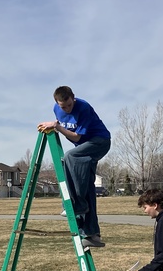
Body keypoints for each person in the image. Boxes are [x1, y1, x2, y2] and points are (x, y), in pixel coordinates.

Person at [37, 86, 111, 248]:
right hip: (84, 149)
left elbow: (76, 136)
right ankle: (92, 235)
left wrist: (57, 126)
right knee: (87, 188)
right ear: (57, 103)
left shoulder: (83, 107)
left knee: (70, 156)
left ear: (73, 98)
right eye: (63, 107)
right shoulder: (57, 109)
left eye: (69, 105)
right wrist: (55, 125)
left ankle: (77, 205)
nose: (67, 109)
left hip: (100, 142)